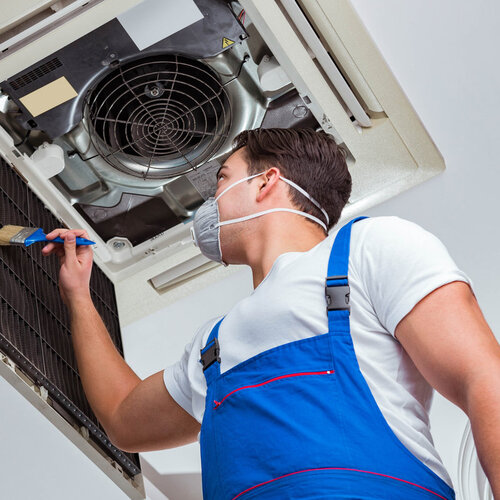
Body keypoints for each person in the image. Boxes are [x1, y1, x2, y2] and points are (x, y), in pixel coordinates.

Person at [42, 128, 499, 499]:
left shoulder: (369, 248)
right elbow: (124, 418)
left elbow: (483, 377)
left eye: (222, 178)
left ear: (265, 182)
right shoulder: (212, 347)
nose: (211, 203)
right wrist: (79, 297)